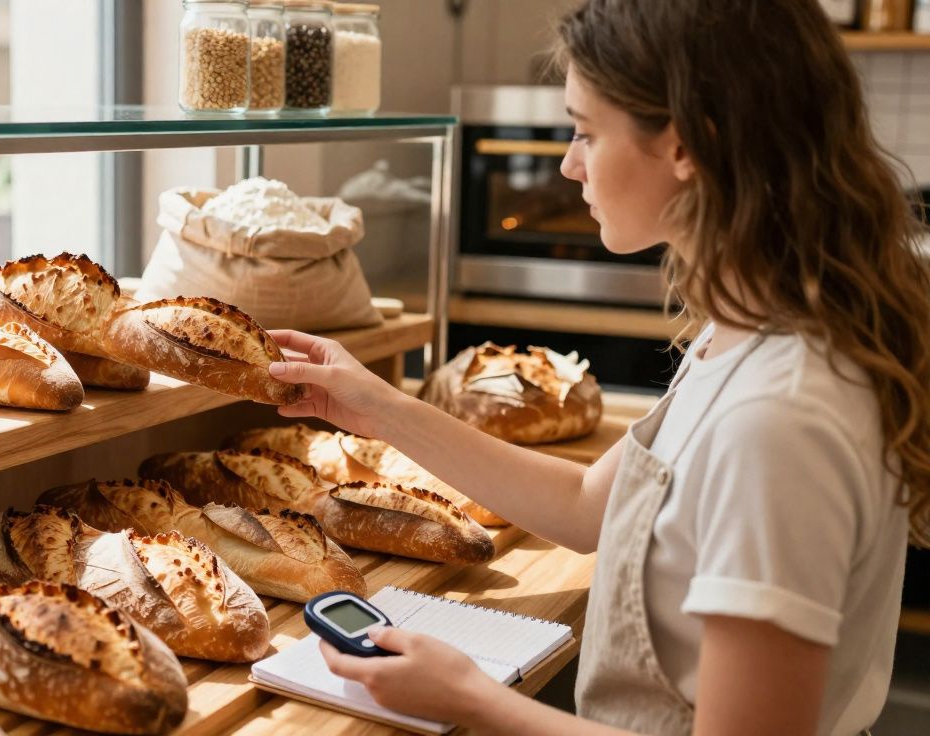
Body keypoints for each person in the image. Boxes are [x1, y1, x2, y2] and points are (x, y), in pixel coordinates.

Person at [264, 0, 930, 733]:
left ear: (687, 144)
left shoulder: (779, 419)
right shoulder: (739, 336)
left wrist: (472, 698)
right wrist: (376, 408)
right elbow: (589, 507)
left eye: (585, 131)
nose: (567, 163)